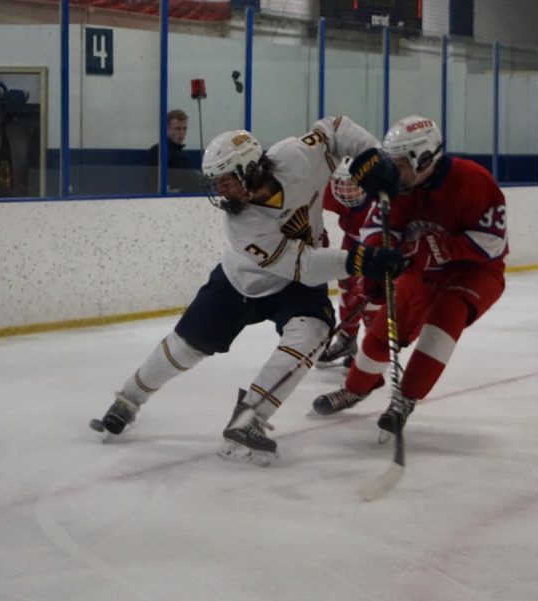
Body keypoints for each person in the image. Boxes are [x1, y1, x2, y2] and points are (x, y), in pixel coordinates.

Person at [94, 116, 406, 464]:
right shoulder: (242, 224)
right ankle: (128, 399)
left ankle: (250, 416)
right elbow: (302, 262)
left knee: (314, 333)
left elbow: (334, 128)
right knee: (185, 347)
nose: (220, 192)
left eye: (225, 181)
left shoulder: (295, 157)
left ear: (248, 169)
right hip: (242, 282)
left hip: (298, 286)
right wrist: (362, 259)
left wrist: (370, 154)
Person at [311, 115, 509, 436]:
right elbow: (377, 227)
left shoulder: (473, 180)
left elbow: (492, 242)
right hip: (422, 270)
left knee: (444, 321)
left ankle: (405, 398)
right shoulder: (397, 185)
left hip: (475, 273)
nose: (394, 171)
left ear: (425, 158)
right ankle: (357, 387)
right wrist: (378, 263)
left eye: (401, 164)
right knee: (384, 326)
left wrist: (438, 249)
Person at [316, 157, 379, 368]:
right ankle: (347, 340)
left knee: (370, 300)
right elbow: (308, 201)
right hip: (351, 242)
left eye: (352, 184)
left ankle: (374, 352)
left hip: (378, 248)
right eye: (341, 184)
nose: (345, 190)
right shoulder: (335, 192)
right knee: (346, 289)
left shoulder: (381, 197)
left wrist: (364, 282)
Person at [147, 109, 201, 193]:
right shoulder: (159, 153)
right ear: (167, 129)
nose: (182, 133)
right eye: (177, 129)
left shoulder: (179, 155)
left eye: (184, 128)